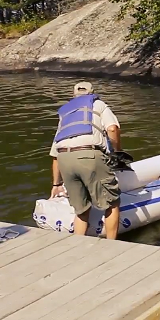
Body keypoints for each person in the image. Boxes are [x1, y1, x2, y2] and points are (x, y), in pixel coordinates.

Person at [49, 81, 122, 239]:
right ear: (92, 93)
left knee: (80, 209)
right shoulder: (98, 104)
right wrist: (117, 151)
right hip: (89, 155)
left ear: (73, 95)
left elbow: (55, 154)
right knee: (112, 202)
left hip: (64, 160)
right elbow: (112, 128)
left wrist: (56, 184)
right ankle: (113, 244)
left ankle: (78, 244)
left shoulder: (66, 114)